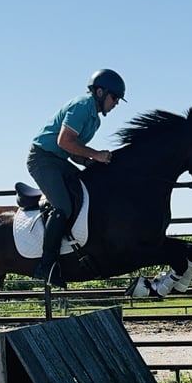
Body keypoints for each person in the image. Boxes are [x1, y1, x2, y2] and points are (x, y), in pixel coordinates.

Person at [26, 68, 126, 287]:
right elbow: (65, 141)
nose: (116, 103)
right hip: (42, 160)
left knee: (87, 191)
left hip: (59, 161)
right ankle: (47, 265)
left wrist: (92, 162)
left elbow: (74, 151)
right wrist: (96, 154)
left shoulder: (95, 120)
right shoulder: (81, 106)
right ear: (100, 92)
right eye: (115, 97)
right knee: (63, 207)